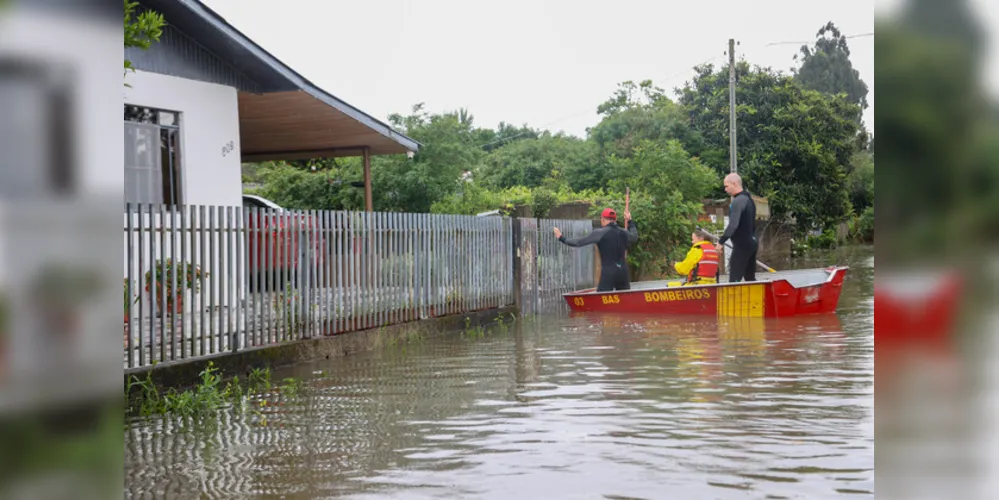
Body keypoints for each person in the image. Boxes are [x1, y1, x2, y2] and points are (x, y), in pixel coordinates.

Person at [553, 208, 638, 292]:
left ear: (603, 220)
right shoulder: (624, 232)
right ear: (615, 220)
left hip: (609, 273)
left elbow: (578, 242)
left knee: (601, 301)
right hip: (623, 272)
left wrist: (561, 238)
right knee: (623, 301)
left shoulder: (600, 233)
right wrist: (630, 221)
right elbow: (634, 237)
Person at [717, 173, 758, 282]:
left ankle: (733, 299)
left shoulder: (738, 201)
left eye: (726, 186)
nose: (725, 189)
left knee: (734, 280)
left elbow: (733, 225)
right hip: (752, 243)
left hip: (742, 246)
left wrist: (721, 242)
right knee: (750, 278)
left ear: (734, 184)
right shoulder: (749, 200)